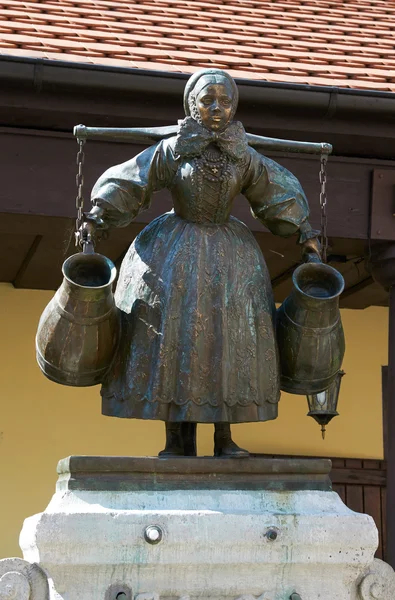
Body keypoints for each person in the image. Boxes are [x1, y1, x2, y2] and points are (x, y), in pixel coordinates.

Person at [82, 68, 320, 458]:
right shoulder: (172, 149)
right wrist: (98, 213)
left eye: (224, 101)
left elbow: (274, 191)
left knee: (229, 340)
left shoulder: (244, 155)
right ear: (192, 105)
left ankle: (225, 437)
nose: (216, 108)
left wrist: (304, 232)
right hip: (173, 255)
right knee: (175, 338)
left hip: (232, 260)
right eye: (207, 100)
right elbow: (133, 179)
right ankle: (177, 439)